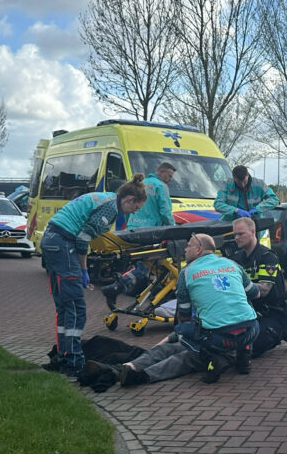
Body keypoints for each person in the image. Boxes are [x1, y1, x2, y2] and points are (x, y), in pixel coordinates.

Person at [85, 233, 260, 386]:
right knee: (247, 308)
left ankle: (141, 374)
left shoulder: (187, 273)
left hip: (219, 340)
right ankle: (244, 357)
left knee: (182, 348)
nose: (184, 250)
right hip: (251, 331)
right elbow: (255, 293)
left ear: (199, 249)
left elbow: (183, 316)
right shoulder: (233, 265)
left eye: (188, 246)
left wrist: (178, 333)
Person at [41, 175, 148, 375]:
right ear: (129, 199)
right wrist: (82, 269)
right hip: (64, 243)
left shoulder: (104, 198)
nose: (134, 212)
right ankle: (73, 363)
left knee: (65, 305)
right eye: (136, 207)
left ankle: (64, 356)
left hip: (52, 240)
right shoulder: (111, 208)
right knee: (75, 306)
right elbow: (83, 239)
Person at [102, 162, 177, 309]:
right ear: (161, 172)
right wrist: (173, 231)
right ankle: (118, 287)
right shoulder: (161, 187)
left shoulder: (141, 184)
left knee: (143, 265)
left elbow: (130, 211)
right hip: (150, 233)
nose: (170, 179)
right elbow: (165, 212)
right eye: (169, 175)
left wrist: (131, 225)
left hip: (133, 230)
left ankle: (123, 287)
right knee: (150, 266)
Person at [230, 216, 287, 369]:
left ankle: (284, 329)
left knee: (253, 348)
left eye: (241, 234)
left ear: (253, 232)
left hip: (272, 312)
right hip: (250, 312)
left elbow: (264, 290)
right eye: (235, 234)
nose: (236, 238)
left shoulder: (267, 257)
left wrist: (239, 288)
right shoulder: (236, 258)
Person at [213, 165, 278, 222]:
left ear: (248, 175)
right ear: (234, 178)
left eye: (245, 182)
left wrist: (258, 209)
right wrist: (235, 210)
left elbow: (274, 199)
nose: (243, 185)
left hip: (254, 225)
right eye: (239, 183)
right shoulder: (227, 185)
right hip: (230, 225)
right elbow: (217, 204)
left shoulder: (260, 184)